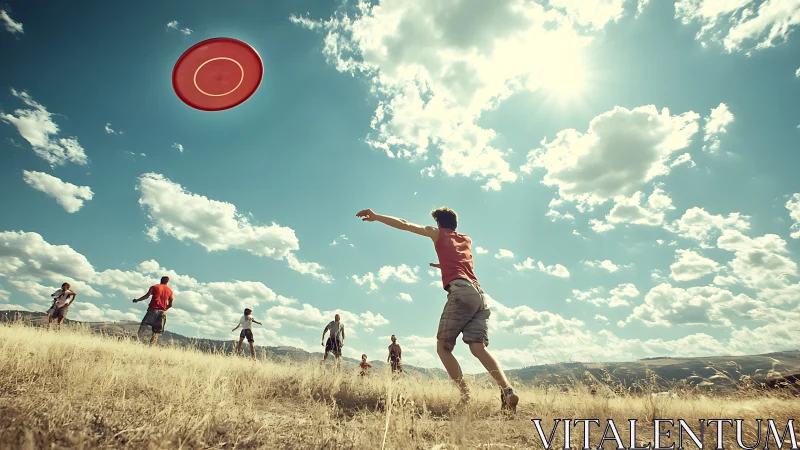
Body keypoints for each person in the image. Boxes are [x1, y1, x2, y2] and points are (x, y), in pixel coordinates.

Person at [356, 207, 519, 412]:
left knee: (443, 347)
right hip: (480, 295)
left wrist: (377, 217)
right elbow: (462, 262)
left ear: (439, 224)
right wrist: (443, 266)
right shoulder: (466, 239)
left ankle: (465, 395)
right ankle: (508, 391)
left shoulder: (438, 233)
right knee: (478, 348)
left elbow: (405, 224)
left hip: (461, 291)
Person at [132, 276, 173, 345]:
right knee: (156, 331)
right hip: (162, 312)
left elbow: (147, 296)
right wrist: (165, 309)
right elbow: (170, 303)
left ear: (161, 280)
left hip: (153, 309)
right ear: (167, 282)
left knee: (144, 324)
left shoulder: (154, 287)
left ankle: (137, 341)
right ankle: (151, 345)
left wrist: (137, 300)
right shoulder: (169, 291)